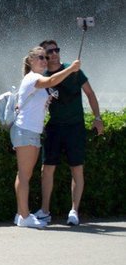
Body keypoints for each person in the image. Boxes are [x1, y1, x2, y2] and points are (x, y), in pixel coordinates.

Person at [34, 40, 104, 227]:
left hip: (75, 127)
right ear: (44, 55)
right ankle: (45, 211)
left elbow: (90, 93)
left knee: (77, 168)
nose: (55, 53)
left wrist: (97, 117)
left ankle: (74, 211)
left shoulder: (74, 70)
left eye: (57, 50)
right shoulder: (44, 76)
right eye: (50, 51)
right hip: (54, 127)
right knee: (47, 169)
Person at [11, 47, 80, 228]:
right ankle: (24, 217)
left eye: (46, 58)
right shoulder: (33, 77)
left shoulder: (35, 79)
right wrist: (71, 69)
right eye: (41, 57)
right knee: (24, 175)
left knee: (25, 175)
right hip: (25, 130)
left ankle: (21, 214)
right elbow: (51, 81)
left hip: (31, 131)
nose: (45, 60)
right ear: (31, 61)